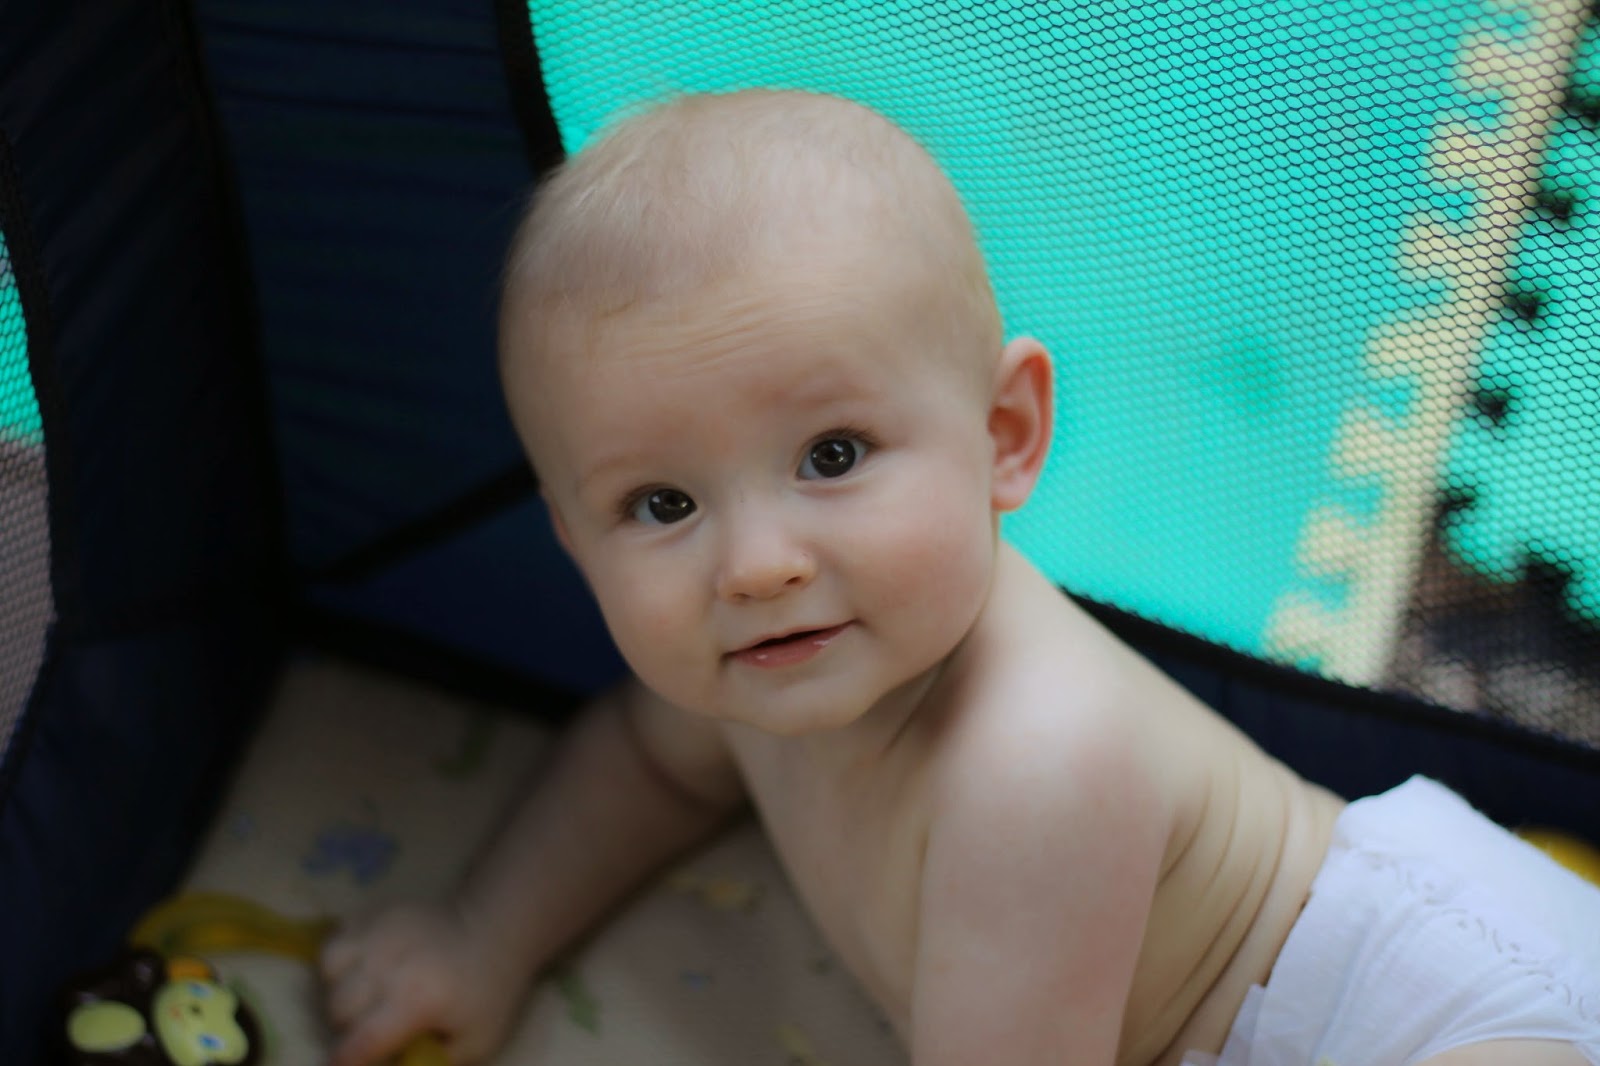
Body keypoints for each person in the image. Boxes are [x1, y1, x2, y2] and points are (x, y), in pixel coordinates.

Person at [319, 89, 1600, 1066]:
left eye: (831, 455)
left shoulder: (1033, 765)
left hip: (1419, 1004)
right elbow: (648, 769)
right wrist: (483, 939)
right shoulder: (748, 671)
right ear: (569, 535)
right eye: (661, 505)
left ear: (1004, 435)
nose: (755, 565)